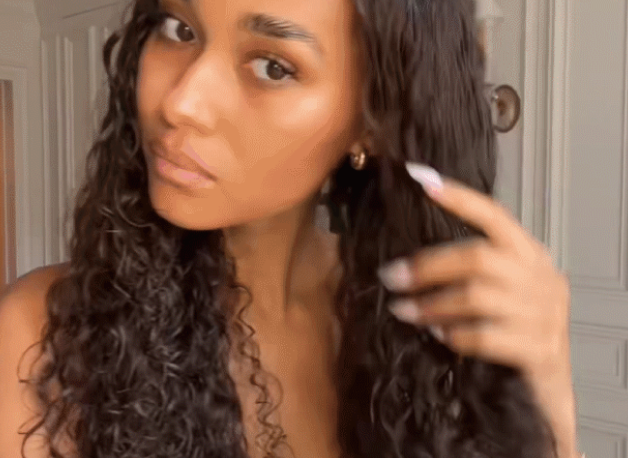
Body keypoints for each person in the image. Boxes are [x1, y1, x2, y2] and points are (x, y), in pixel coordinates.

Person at [0, 0, 582, 457]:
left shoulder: (429, 328)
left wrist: (549, 389)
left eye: (272, 67)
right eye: (179, 28)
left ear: (373, 121)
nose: (181, 103)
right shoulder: (41, 341)